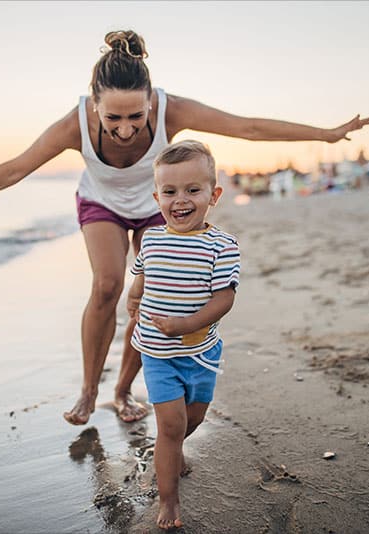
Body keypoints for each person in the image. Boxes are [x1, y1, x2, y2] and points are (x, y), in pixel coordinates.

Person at [0, 30, 369, 426]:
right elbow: (16, 168)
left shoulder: (173, 109)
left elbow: (246, 127)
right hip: (101, 203)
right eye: (113, 118)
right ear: (94, 108)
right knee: (107, 285)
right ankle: (89, 391)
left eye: (135, 116)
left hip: (159, 205)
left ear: (151, 101)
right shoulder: (74, 123)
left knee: (151, 294)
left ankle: (124, 390)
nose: (125, 130)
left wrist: (325, 134)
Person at [126, 140, 238, 530]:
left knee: (193, 420)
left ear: (214, 194)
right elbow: (141, 273)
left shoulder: (222, 246)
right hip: (157, 353)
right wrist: (133, 296)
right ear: (157, 196)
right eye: (170, 192)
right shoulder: (152, 239)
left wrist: (186, 325)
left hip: (201, 354)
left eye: (193, 190)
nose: (181, 200)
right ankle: (168, 499)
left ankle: (174, 451)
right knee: (170, 427)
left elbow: (224, 298)